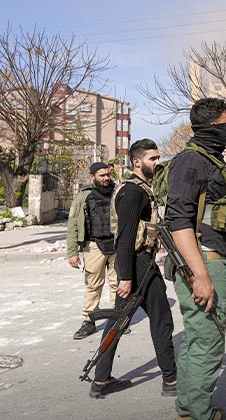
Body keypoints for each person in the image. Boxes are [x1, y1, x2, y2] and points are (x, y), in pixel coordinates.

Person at [166, 98, 226, 420]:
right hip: (203, 260)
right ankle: (200, 414)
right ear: (211, 127)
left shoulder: (212, 160)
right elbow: (179, 220)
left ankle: (188, 409)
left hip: (212, 259)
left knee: (197, 338)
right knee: (208, 341)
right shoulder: (190, 161)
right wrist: (200, 274)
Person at [88, 139, 177, 399]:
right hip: (138, 264)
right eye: (153, 158)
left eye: (158, 157)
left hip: (138, 263)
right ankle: (171, 380)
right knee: (161, 320)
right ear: (136, 162)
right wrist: (125, 277)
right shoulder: (133, 192)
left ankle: (101, 380)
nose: (157, 162)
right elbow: (125, 237)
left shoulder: (138, 189)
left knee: (118, 321)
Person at [67, 162, 117, 340]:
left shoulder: (117, 191)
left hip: (116, 245)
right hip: (94, 245)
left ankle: (117, 319)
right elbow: (73, 224)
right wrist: (72, 252)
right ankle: (89, 321)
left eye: (107, 175)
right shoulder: (84, 196)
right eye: (102, 175)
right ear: (92, 176)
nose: (106, 178)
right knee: (94, 285)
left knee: (117, 284)